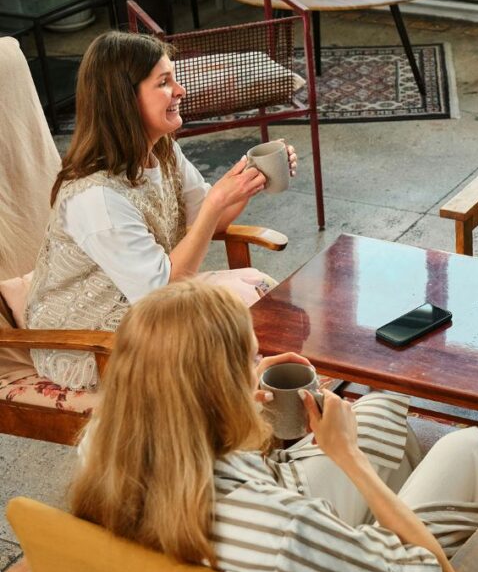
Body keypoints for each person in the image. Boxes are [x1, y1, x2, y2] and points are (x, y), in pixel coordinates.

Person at [68, 280, 478, 572]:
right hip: (358, 558)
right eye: (251, 359)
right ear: (219, 389)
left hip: (277, 519)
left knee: (386, 415)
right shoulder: (287, 532)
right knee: (469, 445)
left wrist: (245, 407)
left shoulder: (101, 451)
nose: (260, 366)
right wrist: (351, 460)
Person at [24, 31, 297, 390]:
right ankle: (259, 419)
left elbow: (208, 222)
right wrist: (217, 200)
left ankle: (281, 405)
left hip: (149, 302)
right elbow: (162, 292)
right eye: (164, 83)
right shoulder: (96, 198)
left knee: (263, 299)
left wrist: (248, 181)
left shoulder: (162, 150)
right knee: (224, 344)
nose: (180, 90)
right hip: (95, 340)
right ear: (125, 99)